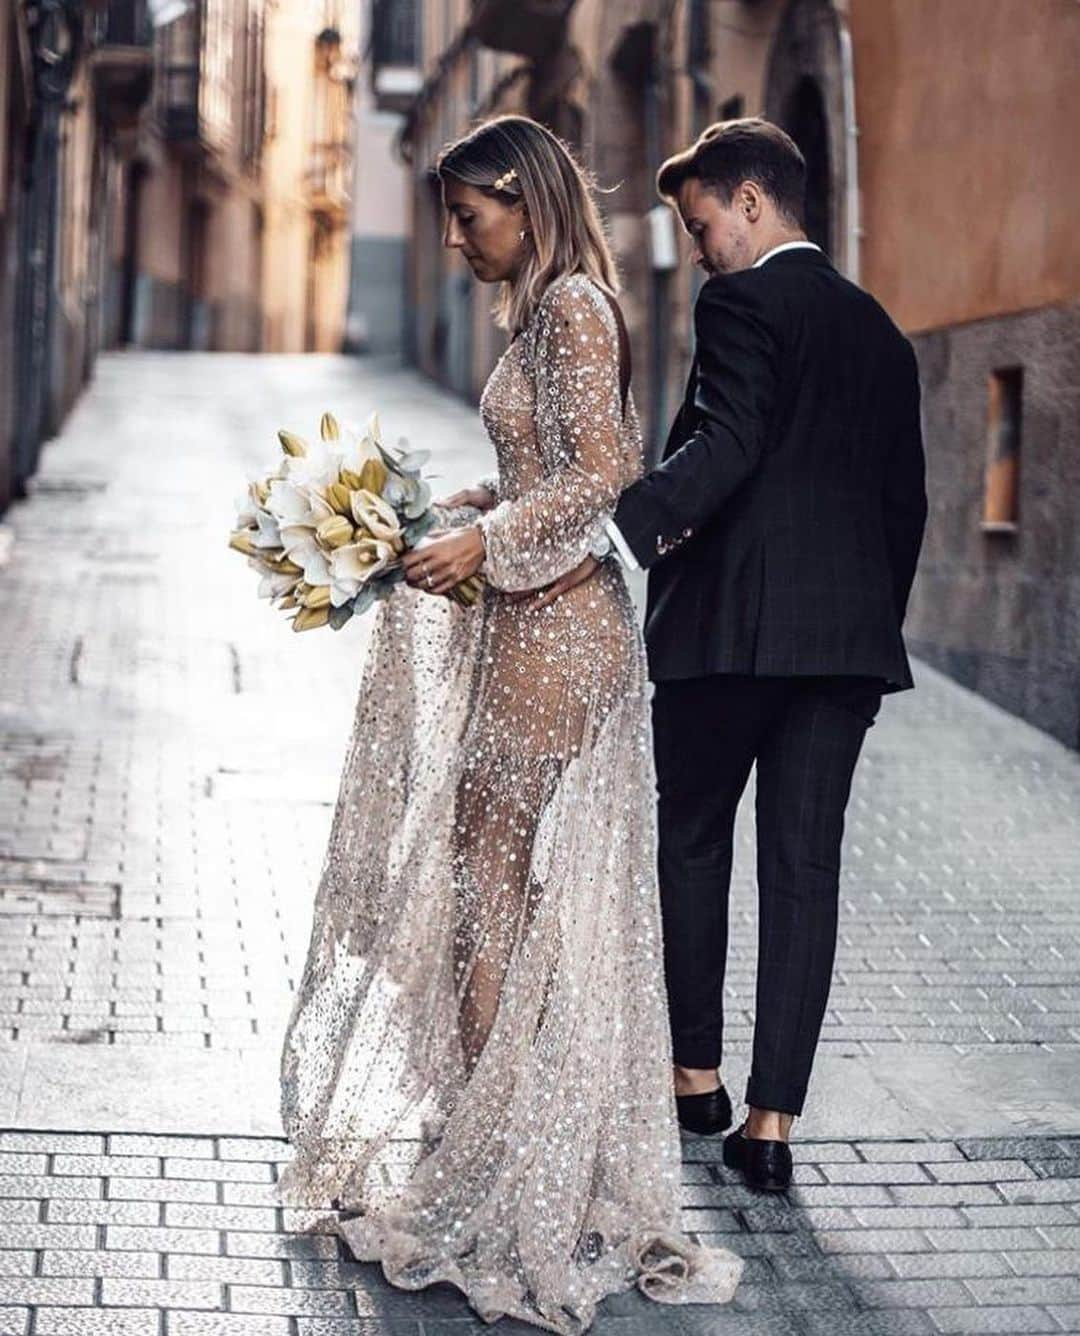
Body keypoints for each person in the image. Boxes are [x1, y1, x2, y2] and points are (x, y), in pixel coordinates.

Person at [277, 114, 741, 1334]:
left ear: (521, 202)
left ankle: (506, 1153)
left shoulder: (578, 306)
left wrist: (490, 539)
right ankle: (510, 1135)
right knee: (495, 886)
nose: (452, 237)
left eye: (467, 215)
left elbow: (610, 471)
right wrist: (476, 500)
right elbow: (551, 462)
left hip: (560, 629)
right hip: (523, 620)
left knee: (495, 878)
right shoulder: (544, 314)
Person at [524, 119, 928, 1192]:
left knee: (694, 841)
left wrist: (615, 531)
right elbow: (905, 506)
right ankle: (770, 1127)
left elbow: (729, 443)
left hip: (728, 639)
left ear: (754, 201)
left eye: (703, 225)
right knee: (804, 874)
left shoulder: (741, 301)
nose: (698, 249)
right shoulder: (882, 332)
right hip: (844, 650)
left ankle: (692, 1080)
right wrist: (861, 627)